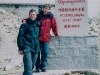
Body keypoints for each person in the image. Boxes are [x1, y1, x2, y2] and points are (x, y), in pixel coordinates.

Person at [22, 4, 58, 72]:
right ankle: (37, 67)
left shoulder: (51, 17)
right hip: (38, 38)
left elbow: (54, 26)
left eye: (48, 9)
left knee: (45, 52)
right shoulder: (39, 16)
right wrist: (25, 19)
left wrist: (56, 34)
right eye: (46, 8)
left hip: (46, 38)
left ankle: (43, 66)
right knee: (37, 53)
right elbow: (32, 18)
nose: (47, 10)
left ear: (49, 10)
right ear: (43, 9)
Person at [17, 9, 41, 75]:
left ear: (36, 15)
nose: (32, 16)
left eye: (34, 14)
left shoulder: (38, 24)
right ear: (29, 15)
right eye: (31, 14)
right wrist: (20, 48)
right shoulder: (24, 25)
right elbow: (20, 37)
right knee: (28, 68)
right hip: (27, 47)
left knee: (30, 67)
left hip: (36, 48)